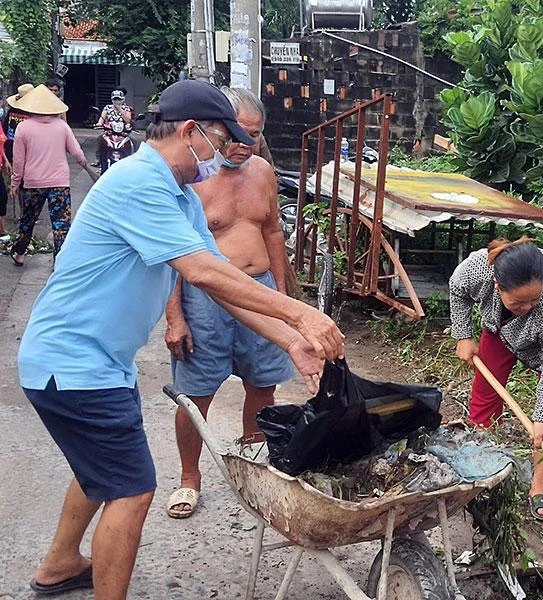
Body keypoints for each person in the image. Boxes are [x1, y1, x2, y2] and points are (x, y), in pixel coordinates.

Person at [18, 80, 344, 599]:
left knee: (100, 465)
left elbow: (219, 279)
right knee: (132, 489)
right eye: (220, 140)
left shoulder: (176, 194)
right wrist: (303, 314)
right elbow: (201, 272)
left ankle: (60, 562)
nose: (224, 153)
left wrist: (289, 339)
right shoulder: (138, 183)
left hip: (101, 362)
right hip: (73, 363)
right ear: (193, 132)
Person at [163, 87, 294, 519]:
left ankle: (255, 470)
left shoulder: (263, 173)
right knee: (196, 393)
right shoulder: (192, 179)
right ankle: (189, 479)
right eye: (236, 133)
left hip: (260, 292)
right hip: (206, 299)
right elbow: (172, 256)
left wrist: (285, 299)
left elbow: (273, 232)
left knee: (263, 385)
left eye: (253, 135)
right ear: (216, 128)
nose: (243, 143)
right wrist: (175, 315)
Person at [449, 237, 543, 522]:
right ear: (497, 286)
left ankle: (540, 484)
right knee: (486, 386)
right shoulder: (477, 269)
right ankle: (482, 464)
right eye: (519, 301)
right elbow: (457, 288)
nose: (527, 306)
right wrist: (463, 335)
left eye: (534, 299)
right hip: (499, 324)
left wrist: (540, 417)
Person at [8, 84, 88, 265]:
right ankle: (59, 260)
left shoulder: (24, 128)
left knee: (28, 220)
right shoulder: (62, 126)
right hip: (60, 182)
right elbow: (76, 152)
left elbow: (18, 161)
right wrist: (83, 162)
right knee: (61, 224)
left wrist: (15, 183)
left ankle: (20, 253)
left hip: (33, 183)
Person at [95, 87, 133, 171]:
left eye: (119, 99)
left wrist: (120, 109)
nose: (117, 101)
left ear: (122, 99)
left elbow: (128, 120)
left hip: (123, 133)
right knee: (100, 138)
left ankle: (133, 159)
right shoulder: (107, 108)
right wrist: (99, 123)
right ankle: (99, 160)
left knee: (134, 140)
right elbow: (102, 118)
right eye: (115, 99)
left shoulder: (126, 108)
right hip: (109, 132)